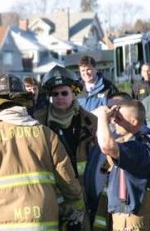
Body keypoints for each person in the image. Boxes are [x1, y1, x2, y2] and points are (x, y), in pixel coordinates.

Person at [0, 74, 84, 231]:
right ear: (23, 101)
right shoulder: (46, 135)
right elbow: (69, 182)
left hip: (1, 224)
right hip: (44, 224)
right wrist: (78, 209)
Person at [94, 100, 150, 231]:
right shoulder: (138, 143)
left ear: (134, 122)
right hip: (126, 220)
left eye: (118, 118)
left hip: (131, 223)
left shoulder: (137, 149)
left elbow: (107, 146)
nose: (114, 121)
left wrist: (102, 118)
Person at [33, 65, 99, 229]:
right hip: (52, 189)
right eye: (55, 94)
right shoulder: (38, 121)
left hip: (84, 189)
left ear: (74, 93)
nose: (59, 97)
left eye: (64, 93)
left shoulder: (90, 121)